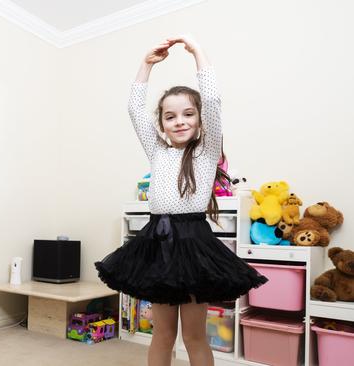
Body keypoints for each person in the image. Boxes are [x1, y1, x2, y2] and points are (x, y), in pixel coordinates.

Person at [95, 36, 267, 366]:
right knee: (162, 334)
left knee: (194, 335)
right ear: (161, 124)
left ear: (200, 120)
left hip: (193, 246)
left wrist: (198, 54)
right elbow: (134, 109)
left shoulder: (206, 153)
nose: (180, 121)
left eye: (188, 114)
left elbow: (213, 101)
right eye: (171, 116)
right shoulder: (157, 151)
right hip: (157, 244)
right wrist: (146, 65)